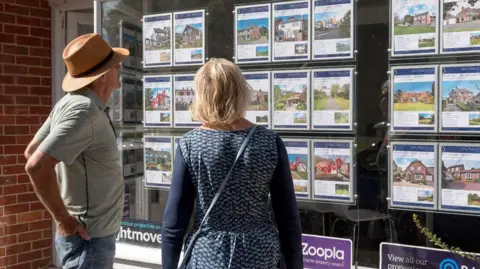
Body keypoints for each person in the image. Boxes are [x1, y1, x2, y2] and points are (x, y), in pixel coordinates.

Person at [161, 58, 303, 269]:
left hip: (209, 255)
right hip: (260, 254)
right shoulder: (269, 142)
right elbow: (288, 218)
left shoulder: (190, 145)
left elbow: (174, 223)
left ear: (202, 95)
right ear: (240, 91)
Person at [24, 33, 129, 268]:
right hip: (89, 240)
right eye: (115, 65)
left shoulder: (71, 104)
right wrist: (64, 220)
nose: (119, 67)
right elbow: (36, 164)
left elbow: (31, 151)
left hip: (89, 237)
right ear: (102, 76)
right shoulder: (84, 111)